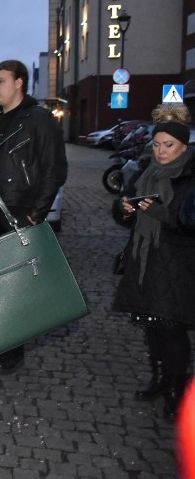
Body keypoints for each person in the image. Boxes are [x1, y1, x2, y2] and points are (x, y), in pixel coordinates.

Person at [0, 59, 67, 372]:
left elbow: (54, 169)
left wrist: (35, 214)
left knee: (14, 285)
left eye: (1, 81)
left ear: (19, 83)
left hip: (18, 213)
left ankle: (11, 351)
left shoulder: (38, 120)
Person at [112, 103, 195, 419]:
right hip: (145, 261)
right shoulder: (146, 173)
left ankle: (177, 386)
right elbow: (123, 214)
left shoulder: (189, 176)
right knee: (152, 324)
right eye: (157, 144)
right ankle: (159, 377)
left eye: (169, 145)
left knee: (171, 328)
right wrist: (125, 210)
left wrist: (162, 213)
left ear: (183, 146)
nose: (161, 151)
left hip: (178, 264)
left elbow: (190, 220)